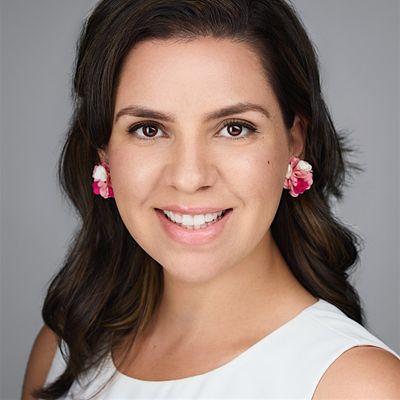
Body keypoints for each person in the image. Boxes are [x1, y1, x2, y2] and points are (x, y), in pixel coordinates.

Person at [22, 0, 400, 399]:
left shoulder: (359, 387)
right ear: (104, 153)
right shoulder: (62, 352)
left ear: (294, 142)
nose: (189, 177)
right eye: (149, 129)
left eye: (234, 128)